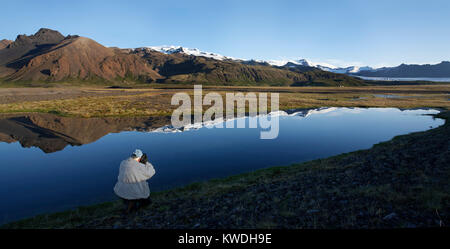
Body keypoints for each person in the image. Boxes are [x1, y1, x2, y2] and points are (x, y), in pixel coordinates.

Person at [114, 149, 156, 214]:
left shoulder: (123, 163)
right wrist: (146, 163)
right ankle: (134, 208)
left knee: (131, 193)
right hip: (134, 192)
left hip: (121, 191)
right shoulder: (139, 166)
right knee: (147, 201)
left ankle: (130, 205)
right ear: (139, 158)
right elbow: (151, 172)